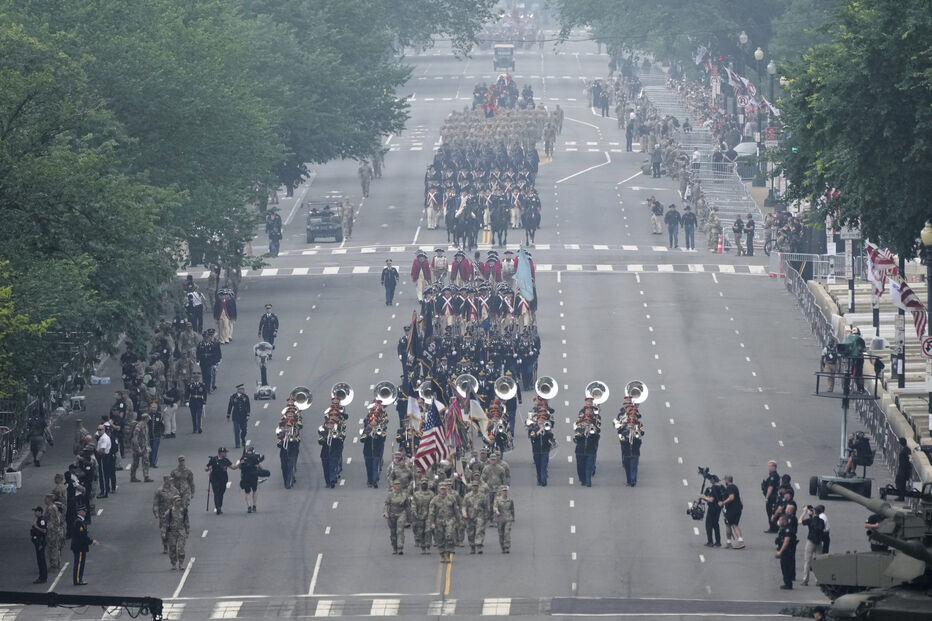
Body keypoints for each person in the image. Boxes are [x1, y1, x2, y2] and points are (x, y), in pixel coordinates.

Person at [428, 481, 460, 563]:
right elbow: (431, 512)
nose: (443, 490)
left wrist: (458, 521)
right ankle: (442, 554)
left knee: (449, 536)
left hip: (450, 520)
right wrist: (432, 523)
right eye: (441, 489)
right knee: (440, 538)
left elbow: (456, 510)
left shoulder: (451, 498)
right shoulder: (434, 500)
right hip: (439, 521)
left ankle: (448, 554)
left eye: (444, 489)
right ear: (439, 489)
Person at [799, 504, 825, 586]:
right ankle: (818, 580)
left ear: (814, 512)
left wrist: (804, 512)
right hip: (819, 542)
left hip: (810, 541)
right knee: (818, 561)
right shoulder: (822, 521)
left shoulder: (810, 520)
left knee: (807, 561)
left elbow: (799, 521)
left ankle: (805, 580)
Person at [70, 508, 98, 585]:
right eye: (83, 511)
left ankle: (79, 579)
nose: (85, 512)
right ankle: (78, 580)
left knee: (80, 563)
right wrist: (91, 541)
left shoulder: (80, 521)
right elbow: (82, 535)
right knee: (79, 563)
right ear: (79, 512)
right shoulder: (79, 522)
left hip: (79, 546)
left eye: (85, 510)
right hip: (79, 547)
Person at [232, 447, 263, 513]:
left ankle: (249, 506)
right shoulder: (255, 457)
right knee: (254, 490)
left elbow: (239, 467)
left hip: (245, 476)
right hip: (254, 476)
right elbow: (261, 466)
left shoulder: (243, 457)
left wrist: (241, 463)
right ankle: (254, 506)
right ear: (252, 451)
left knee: (247, 492)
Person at [462, 480, 489, 554]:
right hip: (470, 517)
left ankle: (479, 546)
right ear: (471, 487)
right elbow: (464, 506)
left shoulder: (482, 496)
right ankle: (472, 547)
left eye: (476, 486)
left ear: (478, 487)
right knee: (471, 533)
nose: (475, 487)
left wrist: (486, 516)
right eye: (473, 486)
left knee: (479, 531)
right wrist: (464, 513)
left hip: (480, 516)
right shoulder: (467, 496)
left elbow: (486, 506)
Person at [383, 480, 410, 554]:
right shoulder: (390, 495)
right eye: (396, 485)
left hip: (401, 513)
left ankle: (400, 547)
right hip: (392, 514)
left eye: (399, 484)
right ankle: (394, 547)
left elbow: (407, 506)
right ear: (394, 486)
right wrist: (385, 513)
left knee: (400, 530)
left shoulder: (404, 495)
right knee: (393, 532)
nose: (397, 486)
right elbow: (386, 504)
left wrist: (409, 516)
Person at [163, 495, 189, 570]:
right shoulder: (170, 512)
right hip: (172, 532)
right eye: (177, 501)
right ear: (174, 502)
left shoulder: (183, 511)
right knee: (172, 548)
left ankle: (181, 563)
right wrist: (164, 532)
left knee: (181, 548)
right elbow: (165, 522)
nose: (179, 502)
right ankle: (173, 563)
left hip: (181, 531)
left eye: (180, 501)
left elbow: (186, 522)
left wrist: (187, 532)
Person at [720, 475, 744, 549]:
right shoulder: (735, 487)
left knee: (732, 525)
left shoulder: (730, 487)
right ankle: (729, 542)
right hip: (738, 508)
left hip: (732, 509)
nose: (725, 482)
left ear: (727, 481)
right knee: (732, 524)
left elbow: (731, 497)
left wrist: (723, 502)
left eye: (725, 481)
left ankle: (740, 541)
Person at [206, 448, 233, 514]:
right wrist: (208, 468)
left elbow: (233, 467)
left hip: (223, 479)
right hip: (215, 479)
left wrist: (240, 464)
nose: (226, 454)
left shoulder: (226, 460)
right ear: (221, 453)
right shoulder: (213, 459)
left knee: (221, 493)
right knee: (216, 493)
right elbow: (206, 467)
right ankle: (218, 507)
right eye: (225, 452)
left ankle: (219, 506)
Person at [700, 475, 724, 547]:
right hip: (719, 508)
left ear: (713, 480)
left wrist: (703, 497)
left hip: (712, 508)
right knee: (716, 524)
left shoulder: (713, 488)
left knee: (708, 524)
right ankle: (718, 542)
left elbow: (711, 499)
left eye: (711, 480)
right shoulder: (721, 487)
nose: (710, 481)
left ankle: (710, 542)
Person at [775, 515, 797, 589]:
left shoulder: (788, 529)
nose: (779, 521)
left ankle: (788, 584)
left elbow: (786, 541)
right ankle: (787, 583)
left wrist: (780, 551)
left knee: (786, 567)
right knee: (784, 567)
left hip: (787, 551)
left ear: (784, 521)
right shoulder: (783, 528)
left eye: (780, 520)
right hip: (786, 551)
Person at [130, 413, 153, 483]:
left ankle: (146, 476)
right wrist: (138, 448)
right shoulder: (138, 426)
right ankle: (133, 477)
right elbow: (135, 438)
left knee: (146, 462)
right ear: (145, 418)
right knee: (135, 463)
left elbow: (146, 437)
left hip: (144, 447)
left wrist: (148, 446)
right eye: (148, 418)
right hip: (137, 447)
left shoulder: (146, 425)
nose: (149, 419)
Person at [227, 384, 251, 449]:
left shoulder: (246, 396)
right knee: (236, 430)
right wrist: (228, 415)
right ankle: (237, 444)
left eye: (243, 389)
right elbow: (230, 406)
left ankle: (243, 438)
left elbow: (248, 406)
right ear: (238, 390)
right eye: (241, 389)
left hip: (243, 416)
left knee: (244, 430)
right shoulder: (233, 397)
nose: (243, 390)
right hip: (236, 416)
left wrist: (248, 415)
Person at [493, 485, 515, 553]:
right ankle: (502, 546)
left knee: (507, 532)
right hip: (500, 519)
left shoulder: (510, 500)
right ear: (501, 492)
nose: (505, 492)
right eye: (503, 491)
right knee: (501, 534)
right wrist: (496, 511)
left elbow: (512, 509)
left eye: (506, 491)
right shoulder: (497, 500)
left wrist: (513, 518)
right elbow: (494, 507)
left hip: (508, 518)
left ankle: (507, 546)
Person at [762, 460, 781, 533]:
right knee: (770, 512)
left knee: (770, 512)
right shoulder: (772, 475)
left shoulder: (773, 476)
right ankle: (773, 527)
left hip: (772, 497)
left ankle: (773, 527)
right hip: (773, 496)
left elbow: (770, 487)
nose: (768, 467)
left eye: (769, 466)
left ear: (773, 467)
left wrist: (767, 497)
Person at [31, 506, 48, 584]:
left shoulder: (42, 520)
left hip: (40, 542)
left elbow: (44, 531)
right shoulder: (38, 519)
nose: (35, 513)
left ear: (40, 512)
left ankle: (43, 577)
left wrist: (36, 526)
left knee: (41, 560)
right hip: (37, 542)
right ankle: (42, 576)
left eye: (36, 511)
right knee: (39, 560)